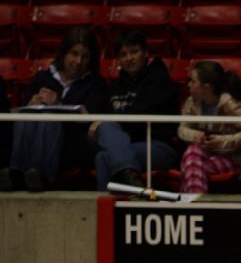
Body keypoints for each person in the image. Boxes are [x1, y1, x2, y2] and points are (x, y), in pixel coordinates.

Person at [0, 26, 108, 192]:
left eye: (85, 57)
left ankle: (41, 175)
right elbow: (21, 107)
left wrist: (58, 105)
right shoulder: (42, 77)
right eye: (74, 54)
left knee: (50, 116)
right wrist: (32, 103)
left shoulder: (96, 84)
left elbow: (89, 122)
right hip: (33, 135)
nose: (78, 62)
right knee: (27, 114)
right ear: (64, 53)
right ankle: (16, 173)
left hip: (73, 142)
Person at [90, 30, 180, 190]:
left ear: (145, 53)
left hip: (159, 146)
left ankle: (128, 181)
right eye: (123, 54)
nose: (129, 58)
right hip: (125, 146)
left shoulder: (160, 81)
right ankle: (127, 184)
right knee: (102, 155)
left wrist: (110, 123)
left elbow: (140, 116)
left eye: (134, 52)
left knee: (107, 136)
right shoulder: (115, 86)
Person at [178, 60, 241, 195]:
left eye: (192, 81)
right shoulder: (191, 102)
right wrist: (195, 135)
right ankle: (198, 205)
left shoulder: (229, 103)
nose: (188, 85)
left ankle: (193, 207)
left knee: (190, 163)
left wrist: (221, 141)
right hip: (202, 155)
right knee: (192, 153)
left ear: (206, 87)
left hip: (231, 158)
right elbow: (182, 129)